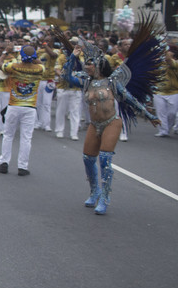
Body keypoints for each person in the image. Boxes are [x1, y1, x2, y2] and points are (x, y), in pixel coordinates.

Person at [59, 25, 163, 215]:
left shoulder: (113, 82)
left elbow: (131, 100)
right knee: (88, 159)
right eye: (86, 63)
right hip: (94, 124)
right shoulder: (84, 80)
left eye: (90, 63)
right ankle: (95, 191)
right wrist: (73, 55)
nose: (86, 66)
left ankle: (105, 197)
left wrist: (149, 116)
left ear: (99, 64)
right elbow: (66, 77)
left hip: (111, 122)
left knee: (105, 159)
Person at [0, 44, 45, 176]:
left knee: (8, 135)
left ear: (21, 56)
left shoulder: (14, 66)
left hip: (14, 105)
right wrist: (34, 57)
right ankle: (22, 167)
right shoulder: (39, 68)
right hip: (30, 107)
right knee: (26, 138)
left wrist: (5, 52)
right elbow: (41, 63)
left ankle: (4, 163)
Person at [152, 44, 178, 137]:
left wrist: (166, 50)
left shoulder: (175, 64)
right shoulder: (157, 63)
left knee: (172, 113)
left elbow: (169, 61)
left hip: (173, 92)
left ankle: (168, 127)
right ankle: (163, 131)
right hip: (158, 92)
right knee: (160, 112)